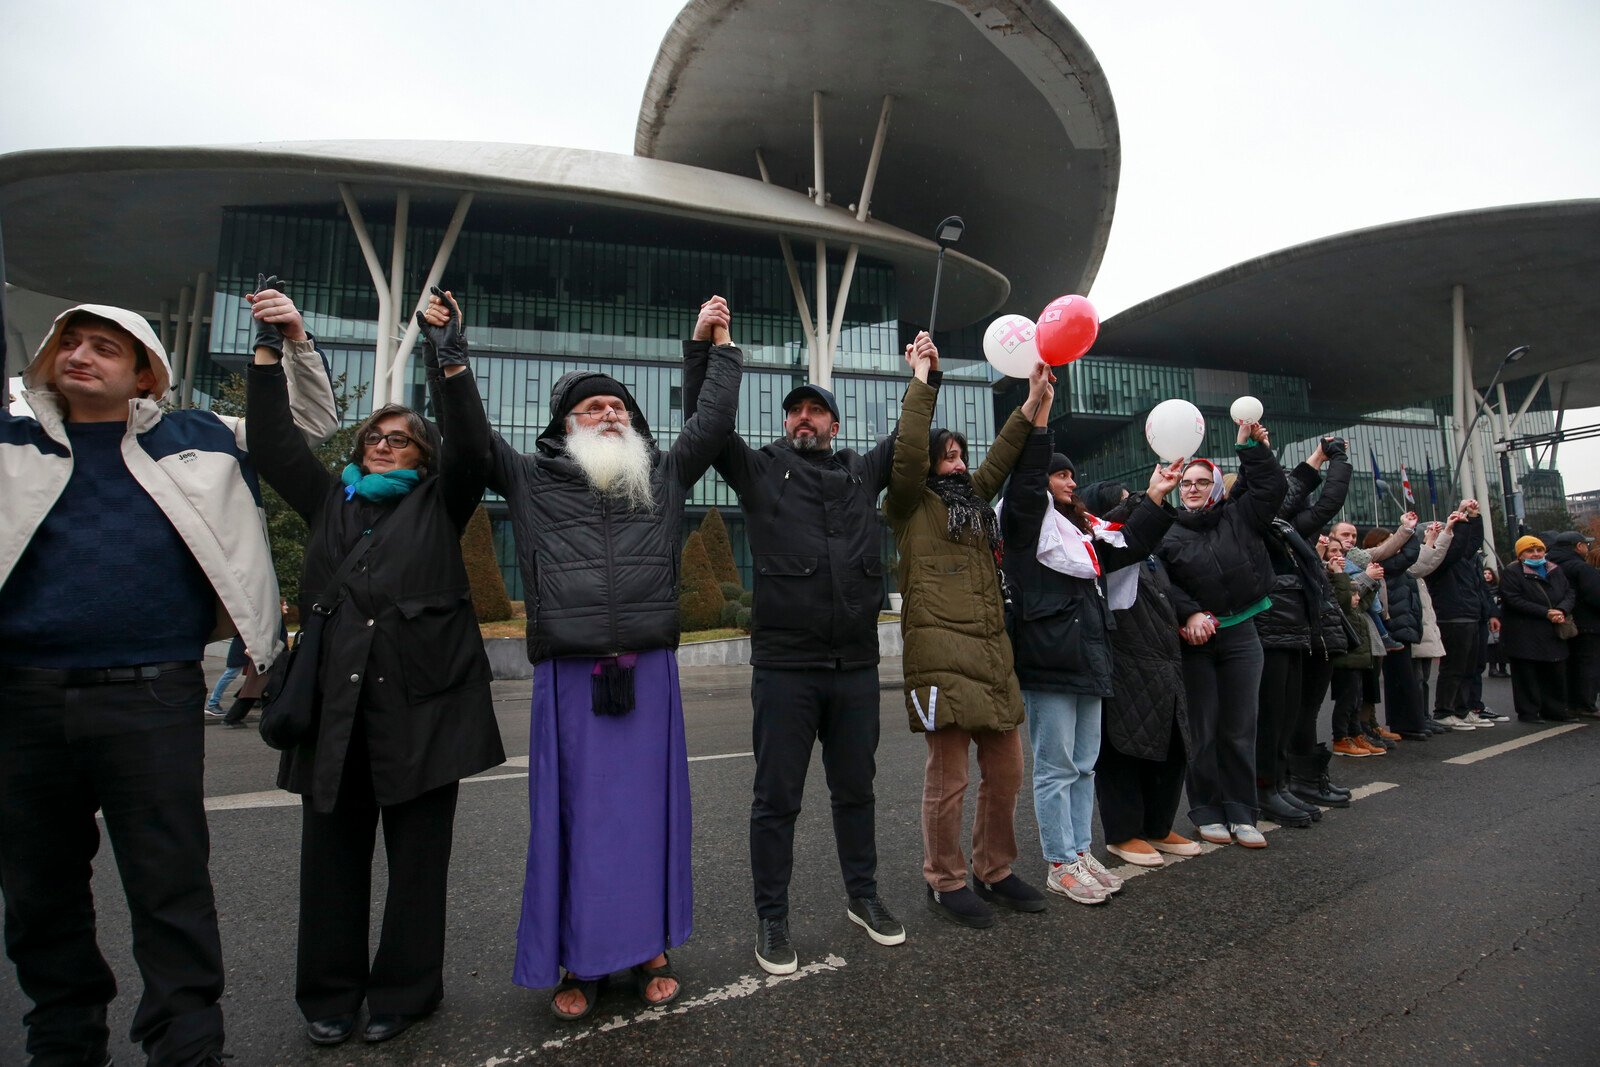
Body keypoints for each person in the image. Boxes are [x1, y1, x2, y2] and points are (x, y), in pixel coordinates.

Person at [0, 299, 335, 1066]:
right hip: (22, 695)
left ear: (146, 371)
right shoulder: (9, 438)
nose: (83, 356)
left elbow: (311, 427)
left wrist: (294, 343)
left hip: (151, 693)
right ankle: (64, 1031)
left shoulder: (204, 436)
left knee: (168, 878)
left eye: (105, 348)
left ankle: (185, 1039)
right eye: (71, 344)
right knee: (38, 885)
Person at [464, 293, 741, 1018]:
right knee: (575, 822)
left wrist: (715, 347)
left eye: (618, 406)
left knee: (647, 819)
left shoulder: (665, 477)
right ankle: (575, 959)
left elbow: (709, 426)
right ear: (564, 425)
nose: (610, 413)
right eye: (592, 408)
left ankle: (651, 945)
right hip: (571, 676)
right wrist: (448, 353)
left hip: (648, 673)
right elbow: (469, 434)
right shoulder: (527, 480)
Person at [248, 286, 506, 1046]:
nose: (385, 445)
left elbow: (472, 442)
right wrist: (273, 350)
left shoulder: (443, 499)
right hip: (335, 711)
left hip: (422, 712)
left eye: (402, 439)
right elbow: (272, 446)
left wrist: (447, 351)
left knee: (418, 866)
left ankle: (406, 990)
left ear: (423, 454)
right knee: (330, 862)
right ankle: (330, 994)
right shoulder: (330, 501)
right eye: (375, 437)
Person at [682, 318, 905, 974]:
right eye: (796, 410)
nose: (804, 417)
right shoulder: (760, 471)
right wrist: (706, 351)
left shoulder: (861, 476)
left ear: (834, 425)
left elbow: (905, 440)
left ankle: (864, 895)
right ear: (787, 423)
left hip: (855, 667)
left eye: (816, 410)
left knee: (855, 790)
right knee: (776, 798)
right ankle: (771, 916)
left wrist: (925, 379)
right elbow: (707, 424)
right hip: (785, 669)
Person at [885, 338, 1046, 927]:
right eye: (945, 455)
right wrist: (924, 380)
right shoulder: (907, 506)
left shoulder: (975, 507)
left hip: (990, 656)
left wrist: (1031, 404)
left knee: (1006, 772)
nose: (955, 463)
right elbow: (905, 454)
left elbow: (1002, 456)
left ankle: (994, 869)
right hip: (938, 661)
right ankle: (945, 878)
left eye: (959, 454)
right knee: (948, 779)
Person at [1004, 441, 1180, 898]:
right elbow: (1025, 481)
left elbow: (1128, 542)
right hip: (1050, 661)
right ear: (1039, 480)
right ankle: (1059, 862)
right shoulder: (1026, 526)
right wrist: (1038, 415)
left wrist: (1156, 494)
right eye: (1061, 475)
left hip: (1091, 658)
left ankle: (1080, 852)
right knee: (1055, 767)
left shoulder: (1082, 536)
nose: (1072, 482)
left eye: (1072, 475)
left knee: (1084, 766)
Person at [1156, 419, 1285, 848]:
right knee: (1204, 731)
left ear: (1214, 485)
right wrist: (1190, 613)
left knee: (1239, 728)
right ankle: (1207, 810)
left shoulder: (1238, 515)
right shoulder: (1167, 530)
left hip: (1242, 636)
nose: (1192, 488)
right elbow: (1161, 582)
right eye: (1186, 483)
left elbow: (1271, 489)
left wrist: (1253, 449)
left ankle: (1243, 812)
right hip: (1196, 643)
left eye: (1201, 481)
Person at [1077, 481, 1193, 870]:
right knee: (1125, 749)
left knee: (1170, 746)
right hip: (1126, 661)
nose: (1136, 507)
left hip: (1164, 663)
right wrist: (1148, 500)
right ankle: (1124, 833)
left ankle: (1158, 826)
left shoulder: (1150, 554)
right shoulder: (1101, 544)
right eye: (1126, 503)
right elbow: (1110, 528)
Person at [1250, 436, 1351, 827]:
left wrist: (1335, 460)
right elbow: (1287, 493)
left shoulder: (1285, 528)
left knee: (1295, 711)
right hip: (1271, 626)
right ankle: (1267, 789)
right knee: (1273, 716)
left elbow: (1327, 503)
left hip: (1299, 628)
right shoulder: (1254, 521)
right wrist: (1319, 459)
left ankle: (1285, 784)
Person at [1423, 501, 1494, 730]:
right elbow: (1456, 547)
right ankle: (1444, 711)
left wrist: (1474, 518)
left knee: (1468, 668)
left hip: (1470, 614)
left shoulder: (1462, 557)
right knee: (1453, 668)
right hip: (1452, 615)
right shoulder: (1438, 558)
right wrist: (1460, 519)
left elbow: (1471, 543)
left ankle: (1462, 710)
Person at [1498, 536, 1576, 723]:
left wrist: (1561, 609)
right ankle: (1529, 712)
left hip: (1553, 628)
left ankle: (1556, 710)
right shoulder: (1512, 572)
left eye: (1539, 550)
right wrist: (1545, 612)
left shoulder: (1555, 569)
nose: (1535, 554)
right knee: (1527, 674)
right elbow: (1513, 599)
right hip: (1525, 632)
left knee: (1555, 672)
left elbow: (1569, 592)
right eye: (1530, 551)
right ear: (1520, 555)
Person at [1547, 531, 1600, 717]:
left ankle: (1568, 702)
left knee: (1567, 664)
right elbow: (1596, 596)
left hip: (1557, 621)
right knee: (1588, 664)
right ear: (1578, 546)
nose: (1587, 547)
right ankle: (1586, 704)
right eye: (1586, 544)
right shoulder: (1581, 568)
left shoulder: (1549, 566)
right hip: (1587, 624)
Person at [204, 634, 247, 718]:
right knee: (230, 674)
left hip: (244, 647)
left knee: (230, 674)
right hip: (243, 648)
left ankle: (212, 704)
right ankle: (212, 704)